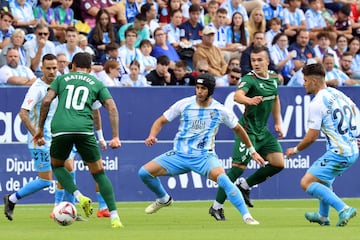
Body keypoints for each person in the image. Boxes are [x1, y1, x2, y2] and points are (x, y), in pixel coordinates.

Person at [138, 73, 265, 225]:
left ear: (210, 90)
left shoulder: (220, 110)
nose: (199, 91)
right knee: (144, 173)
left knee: (224, 180)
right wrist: (152, 135)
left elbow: (239, 130)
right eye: (197, 87)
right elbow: (161, 121)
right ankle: (164, 199)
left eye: (203, 88)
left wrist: (252, 151)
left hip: (204, 157)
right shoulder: (184, 104)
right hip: (179, 155)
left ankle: (247, 216)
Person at [32, 52, 123, 228]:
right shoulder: (96, 82)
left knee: (57, 166)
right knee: (99, 173)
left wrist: (40, 129)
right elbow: (111, 107)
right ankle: (114, 216)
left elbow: (46, 101)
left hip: (60, 130)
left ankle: (79, 196)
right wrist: (115, 136)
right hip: (84, 130)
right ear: (89, 69)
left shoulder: (61, 79)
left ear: (71, 66)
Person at [210, 46, 284, 220]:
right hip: (247, 130)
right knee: (237, 170)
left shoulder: (274, 79)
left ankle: (245, 185)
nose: (256, 63)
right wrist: (249, 100)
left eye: (259, 60)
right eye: (253, 60)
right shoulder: (249, 79)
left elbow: (275, 99)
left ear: (267, 61)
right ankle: (216, 207)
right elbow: (237, 96)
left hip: (262, 131)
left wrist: (278, 122)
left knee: (278, 163)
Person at [285, 62, 359, 227]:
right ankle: (323, 216)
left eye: (304, 80)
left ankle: (343, 208)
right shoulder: (338, 94)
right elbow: (356, 113)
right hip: (351, 149)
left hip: (339, 152)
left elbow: (312, 137)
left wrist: (295, 149)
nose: (303, 84)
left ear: (313, 82)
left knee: (307, 182)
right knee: (323, 181)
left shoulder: (317, 103)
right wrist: (354, 137)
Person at [3, 54, 58, 221]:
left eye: (54, 68)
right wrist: (36, 134)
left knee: (67, 169)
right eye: (48, 68)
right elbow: (22, 113)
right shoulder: (37, 88)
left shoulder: (58, 85)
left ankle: (63, 208)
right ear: (41, 68)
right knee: (46, 181)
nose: (51, 71)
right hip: (40, 140)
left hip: (54, 137)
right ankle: (11, 199)